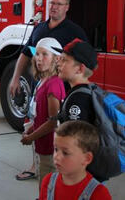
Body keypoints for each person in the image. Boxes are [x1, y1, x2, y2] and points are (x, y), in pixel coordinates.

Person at [10, 0, 88, 98]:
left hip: (61, 93)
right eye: (52, 3)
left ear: (67, 7)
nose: (54, 7)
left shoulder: (75, 32)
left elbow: (84, 64)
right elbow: (25, 54)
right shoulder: (38, 28)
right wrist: (15, 78)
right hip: (37, 90)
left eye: (59, 4)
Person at [55, 38, 107, 182]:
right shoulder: (91, 90)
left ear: (80, 69)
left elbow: (74, 143)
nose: (58, 63)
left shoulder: (77, 99)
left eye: (64, 60)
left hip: (81, 175)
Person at [19, 38, 66, 189]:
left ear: (57, 59)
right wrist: (31, 129)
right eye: (37, 54)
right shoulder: (43, 81)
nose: (39, 58)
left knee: (47, 188)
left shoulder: (53, 84)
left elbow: (53, 122)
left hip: (50, 148)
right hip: (42, 146)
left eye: (44, 54)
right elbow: (41, 116)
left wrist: (31, 137)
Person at [39, 120, 112, 200]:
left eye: (65, 153)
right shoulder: (48, 181)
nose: (57, 156)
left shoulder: (99, 194)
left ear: (87, 158)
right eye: (56, 149)